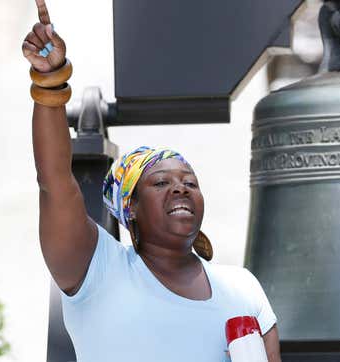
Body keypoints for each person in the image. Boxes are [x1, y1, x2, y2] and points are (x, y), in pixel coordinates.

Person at [22, 1, 281, 360]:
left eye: (190, 182)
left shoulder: (243, 289)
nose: (180, 188)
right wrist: (50, 82)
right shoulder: (98, 271)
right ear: (131, 208)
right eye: (160, 183)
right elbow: (54, 181)